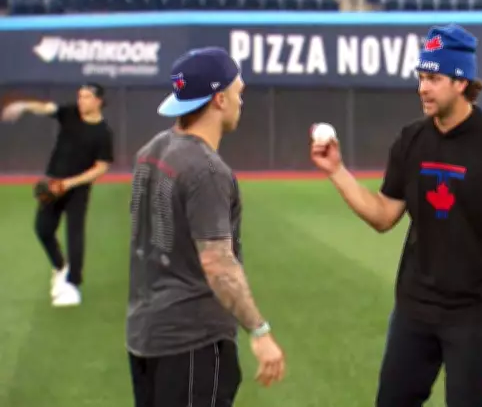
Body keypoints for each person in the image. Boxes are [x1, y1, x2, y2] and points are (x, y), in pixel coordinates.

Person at [310, 24, 482, 407]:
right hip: (415, 309)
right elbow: (383, 215)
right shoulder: (411, 141)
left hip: (475, 312)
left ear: (461, 81)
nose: (423, 87)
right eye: (421, 77)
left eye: (433, 78)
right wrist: (337, 171)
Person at [125, 47, 285, 407]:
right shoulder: (207, 170)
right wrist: (259, 331)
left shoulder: (149, 151)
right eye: (238, 93)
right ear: (219, 99)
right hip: (192, 342)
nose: (241, 102)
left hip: (144, 334)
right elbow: (217, 263)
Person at [1, 83, 113, 307]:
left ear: (99, 101)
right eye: (80, 96)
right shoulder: (70, 113)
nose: (82, 101)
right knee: (42, 229)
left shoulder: (103, 132)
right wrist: (23, 106)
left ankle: (73, 284)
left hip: (76, 188)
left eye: (87, 97)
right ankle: (60, 267)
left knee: (75, 234)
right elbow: (46, 108)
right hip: (52, 183)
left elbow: (101, 167)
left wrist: (69, 183)